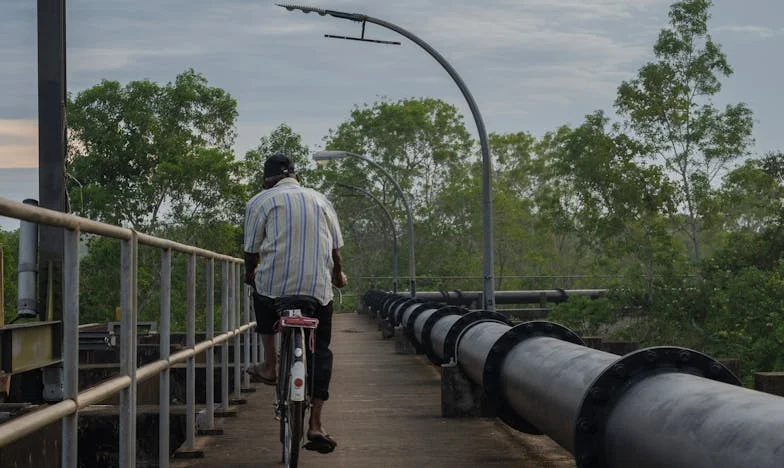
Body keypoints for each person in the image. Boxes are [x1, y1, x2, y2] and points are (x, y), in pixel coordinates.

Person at [243, 153, 347, 454]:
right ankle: (315, 423)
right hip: (316, 289)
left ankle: (272, 365)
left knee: (259, 293)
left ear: (267, 180)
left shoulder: (261, 201)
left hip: (275, 289)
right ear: (296, 176)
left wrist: (250, 274)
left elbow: (251, 251)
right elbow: (336, 250)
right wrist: (338, 276)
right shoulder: (321, 200)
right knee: (322, 349)